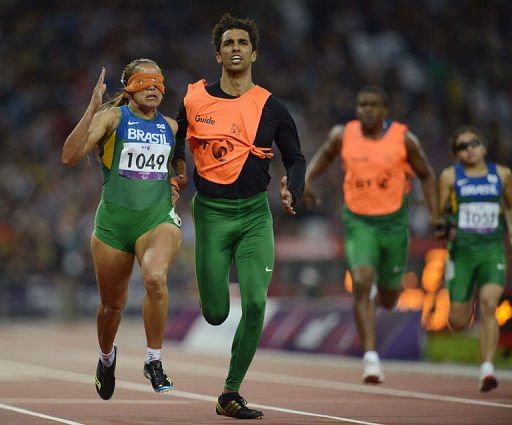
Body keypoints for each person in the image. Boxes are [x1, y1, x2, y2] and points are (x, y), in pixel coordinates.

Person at [175, 13, 305, 419]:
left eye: (242, 43)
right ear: (218, 54)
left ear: (254, 52)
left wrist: (292, 186)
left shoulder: (271, 106)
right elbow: (173, 140)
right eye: (228, 43)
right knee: (215, 314)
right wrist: (175, 173)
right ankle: (215, 315)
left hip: (253, 217)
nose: (235, 48)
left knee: (255, 303)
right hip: (211, 216)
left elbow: (296, 158)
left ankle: (230, 392)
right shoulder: (195, 100)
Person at [62, 59, 186, 400]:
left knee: (155, 278)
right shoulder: (113, 118)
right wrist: (90, 110)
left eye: (157, 81)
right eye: (143, 81)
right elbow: (70, 156)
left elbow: (180, 162)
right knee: (111, 307)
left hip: (156, 220)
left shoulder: (172, 128)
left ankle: (154, 359)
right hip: (113, 227)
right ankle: (106, 357)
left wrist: (178, 178)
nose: (152, 87)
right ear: (128, 87)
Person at [303, 86, 438, 384]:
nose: (366, 109)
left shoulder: (404, 138)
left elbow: (427, 175)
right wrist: (308, 181)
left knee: (390, 299)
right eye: (362, 104)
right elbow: (324, 156)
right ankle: (371, 358)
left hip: (394, 225)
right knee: (361, 281)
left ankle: (382, 294)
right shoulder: (344, 134)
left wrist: (436, 214)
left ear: (385, 110)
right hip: (359, 223)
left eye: (373, 105)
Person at [437, 126, 512, 392]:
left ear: (484, 147)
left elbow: (509, 208)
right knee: (458, 322)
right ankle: (461, 310)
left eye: (474, 143)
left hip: (491, 250)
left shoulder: (502, 175)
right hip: (462, 254)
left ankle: (487, 369)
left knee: (490, 305)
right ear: (457, 154)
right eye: (463, 146)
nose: (470, 149)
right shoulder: (449, 177)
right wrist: (446, 226)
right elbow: (440, 213)